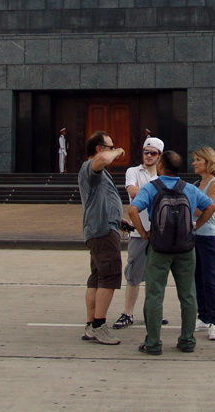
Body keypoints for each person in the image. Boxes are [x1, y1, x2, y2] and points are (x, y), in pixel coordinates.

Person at [128, 150, 215, 355]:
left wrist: (144, 233)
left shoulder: (152, 188)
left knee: (154, 294)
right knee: (188, 295)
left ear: (160, 166)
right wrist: (196, 226)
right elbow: (210, 207)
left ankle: (153, 343)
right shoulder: (189, 189)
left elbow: (133, 210)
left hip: (159, 248)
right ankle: (187, 340)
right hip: (186, 248)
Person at [111, 135, 165, 330]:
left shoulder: (162, 176)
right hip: (138, 232)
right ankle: (128, 313)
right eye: (146, 152)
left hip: (159, 232)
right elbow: (133, 192)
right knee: (133, 273)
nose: (148, 156)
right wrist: (157, 194)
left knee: (156, 275)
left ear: (159, 156)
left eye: (153, 153)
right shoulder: (133, 171)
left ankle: (154, 312)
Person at [79, 130, 126, 345]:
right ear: (99, 149)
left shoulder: (100, 173)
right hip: (102, 231)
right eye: (110, 146)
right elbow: (101, 159)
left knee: (97, 277)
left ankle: (91, 325)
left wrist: (119, 219)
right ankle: (99, 325)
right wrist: (117, 151)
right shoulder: (91, 166)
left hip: (104, 227)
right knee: (109, 275)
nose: (114, 150)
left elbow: (104, 199)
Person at [191, 146, 215, 340]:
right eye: (194, 159)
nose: (194, 163)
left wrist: (190, 205)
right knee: (197, 279)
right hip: (195, 235)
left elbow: (203, 209)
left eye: (197, 159)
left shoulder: (214, 183)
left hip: (208, 236)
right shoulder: (196, 183)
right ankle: (203, 316)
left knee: (209, 279)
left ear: (208, 161)